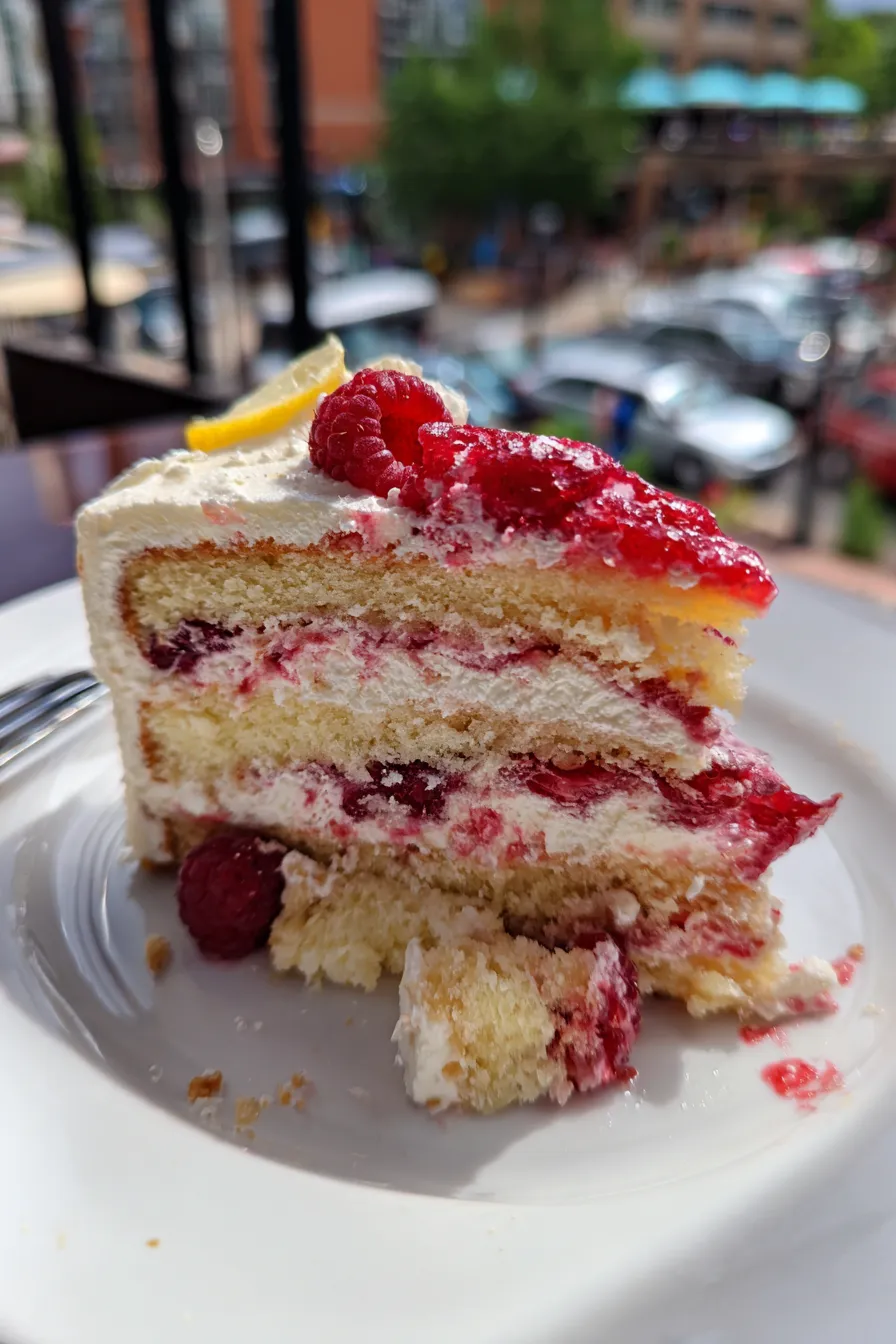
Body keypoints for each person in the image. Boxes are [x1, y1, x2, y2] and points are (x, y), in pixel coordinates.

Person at [609, 391, 639, 462]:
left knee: (620, 446)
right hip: (622, 425)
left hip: (623, 425)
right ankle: (616, 458)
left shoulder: (628, 402)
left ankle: (617, 458)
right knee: (618, 445)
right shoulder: (627, 402)